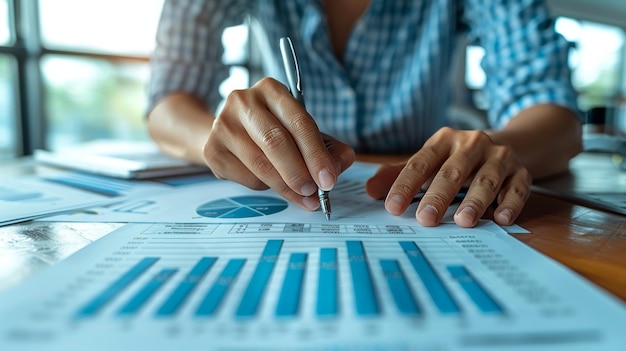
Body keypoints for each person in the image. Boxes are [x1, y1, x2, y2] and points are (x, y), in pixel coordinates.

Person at [147, 0, 582, 228]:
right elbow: (168, 101)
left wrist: (501, 147)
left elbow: (554, 114)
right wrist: (220, 138)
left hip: (423, 179)